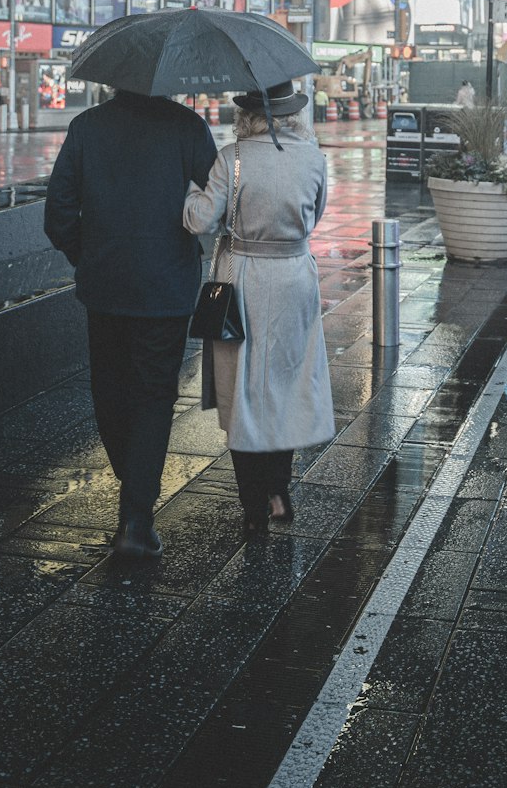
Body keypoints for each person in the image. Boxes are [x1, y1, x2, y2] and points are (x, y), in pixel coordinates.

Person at [45, 89, 217, 557]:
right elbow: (220, 195)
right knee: (154, 393)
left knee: (110, 386)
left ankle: (134, 479)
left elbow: (58, 210)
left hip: (105, 284)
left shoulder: (87, 126)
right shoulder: (187, 125)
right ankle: (136, 519)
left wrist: (87, 255)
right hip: (166, 285)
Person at [183, 79, 334, 536]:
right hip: (295, 278)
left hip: (243, 281)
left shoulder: (234, 159)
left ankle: (252, 504)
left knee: (243, 390)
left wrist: (189, 190)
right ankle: (278, 491)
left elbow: (199, 220)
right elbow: (316, 213)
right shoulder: (314, 158)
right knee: (285, 385)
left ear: (246, 115)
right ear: (293, 113)